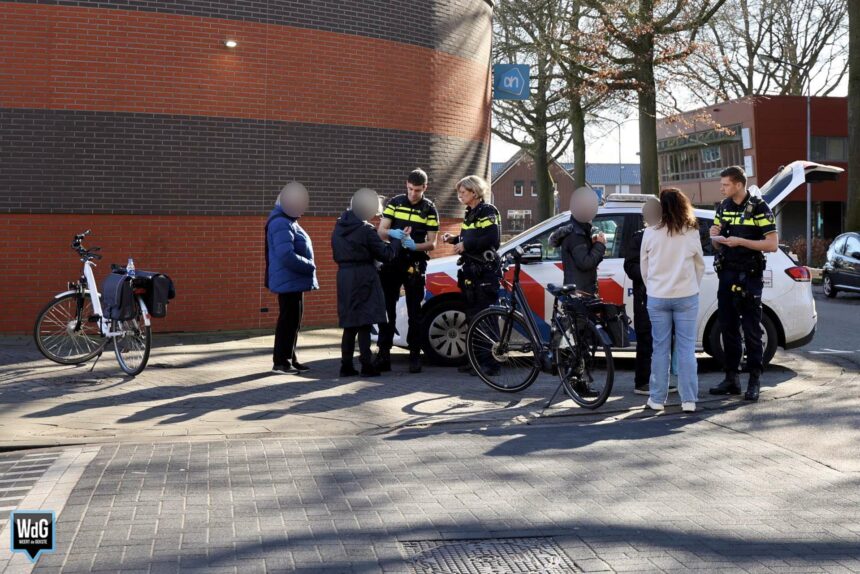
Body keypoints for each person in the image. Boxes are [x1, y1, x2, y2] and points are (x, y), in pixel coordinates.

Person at [708, 166, 778, 402]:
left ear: (738, 184)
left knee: (751, 330)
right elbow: (717, 246)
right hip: (726, 273)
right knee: (727, 327)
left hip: (749, 276)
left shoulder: (759, 208)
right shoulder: (723, 207)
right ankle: (731, 379)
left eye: (725, 184)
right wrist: (714, 236)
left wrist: (741, 242)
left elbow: (772, 244)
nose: (722, 188)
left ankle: (754, 380)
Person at [640, 188, 705, 413]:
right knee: (686, 349)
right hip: (686, 295)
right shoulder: (690, 231)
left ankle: (657, 399)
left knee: (660, 348)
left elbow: (644, 266)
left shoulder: (650, 232)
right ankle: (688, 400)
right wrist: (692, 286)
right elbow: (699, 264)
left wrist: (653, 288)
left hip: (658, 297)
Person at [374, 169, 439, 374]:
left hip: (415, 264)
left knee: (415, 312)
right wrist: (392, 233)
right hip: (392, 262)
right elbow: (381, 231)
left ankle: (414, 356)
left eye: (417, 190)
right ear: (406, 185)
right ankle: (384, 354)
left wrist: (414, 245)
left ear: (425, 188)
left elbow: (432, 244)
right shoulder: (395, 202)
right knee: (387, 309)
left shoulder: (429, 209)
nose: (413, 194)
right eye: (410, 189)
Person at [332, 188, 401, 377]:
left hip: (344, 276)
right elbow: (386, 255)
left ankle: (346, 365)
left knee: (349, 323)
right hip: (363, 276)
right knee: (364, 322)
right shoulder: (365, 229)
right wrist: (397, 239)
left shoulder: (338, 227)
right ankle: (367, 365)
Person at [441, 176, 500, 375]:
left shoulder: (487, 211)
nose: (460, 196)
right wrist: (455, 240)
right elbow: (472, 237)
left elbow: (492, 239)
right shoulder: (470, 212)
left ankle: (490, 363)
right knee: (473, 318)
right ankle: (475, 360)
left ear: (474, 192)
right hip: (471, 273)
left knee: (486, 318)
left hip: (485, 273)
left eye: (463, 192)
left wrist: (465, 245)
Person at [266, 182, 319, 375]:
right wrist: (309, 265)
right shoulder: (281, 222)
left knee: (293, 321)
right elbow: (285, 254)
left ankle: (290, 357)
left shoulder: (288, 221)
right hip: (289, 280)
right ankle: (281, 362)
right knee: (288, 321)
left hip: (293, 280)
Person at [624, 196, 662, 395]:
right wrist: (649, 272)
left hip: (664, 294)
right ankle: (642, 382)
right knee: (646, 338)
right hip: (645, 295)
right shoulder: (639, 237)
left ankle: (660, 380)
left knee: (663, 340)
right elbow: (629, 266)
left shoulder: (667, 235)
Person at [549, 186, 606, 296]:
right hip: (580, 293)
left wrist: (593, 245)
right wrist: (600, 245)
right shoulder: (576, 234)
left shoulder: (580, 230)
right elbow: (585, 263)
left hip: (581, 290)